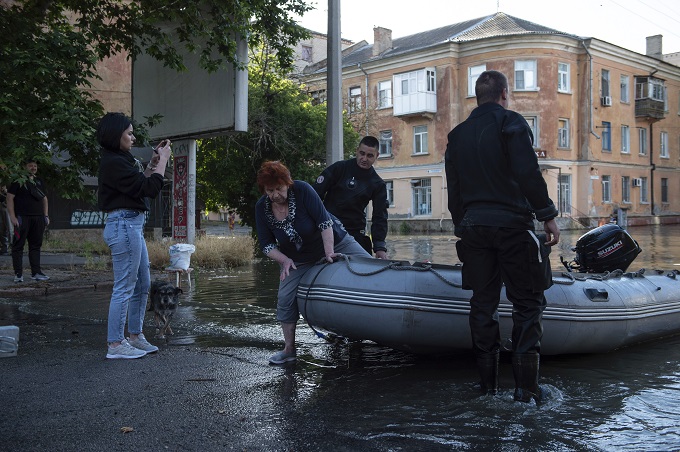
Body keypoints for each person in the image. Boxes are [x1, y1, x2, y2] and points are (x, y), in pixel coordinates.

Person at [444, 70, 560, 403]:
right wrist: (548, 214)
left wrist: (460, 226)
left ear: (477, 97)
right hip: (512, 227)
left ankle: (487, 388)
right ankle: (525, 391)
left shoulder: (457, 135)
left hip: (474, 228)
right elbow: (527, 171)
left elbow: (455, 190)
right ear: (504, 94)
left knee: (483, 304)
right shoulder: (511, 122)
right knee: (527, 303)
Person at [255, 160, 371, 364]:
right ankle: (289, 349)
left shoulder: (302, 190)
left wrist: (329, 252)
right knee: (284, 297)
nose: (275, 195)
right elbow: (266, 245)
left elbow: (324, 221)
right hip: (297, 257)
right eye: (269, 190)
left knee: (369, 266)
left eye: (279, 189)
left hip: (334, 241)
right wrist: (284, 260)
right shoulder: (261, 208)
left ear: (287, 184)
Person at [96, 112, 172, 359]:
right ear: (115, 135)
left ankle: (135, 336)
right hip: (124, 225)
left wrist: (152, 163)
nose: (133, 136)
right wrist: (164, 162)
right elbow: (150, 189)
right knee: (125, 287)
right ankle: (115, 345)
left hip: (131, 225)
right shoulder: (113, 163)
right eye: (129, 133)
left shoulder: (121, 159)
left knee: (142, 284)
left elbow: (140, 183)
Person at [313, 136, 389, 259]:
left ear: (377, 156)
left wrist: (379, 247)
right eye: (362, 153)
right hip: (329, 228)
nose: (364, 159)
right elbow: (314, 196)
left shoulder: (377, 184)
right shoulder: (339, 168)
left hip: (355, 233)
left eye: (370, 156)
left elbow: (380, 217)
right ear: (357, 150)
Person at [7, 158, 50, 282]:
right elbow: (9, 198)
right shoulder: (18, 181)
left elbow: (44, 199)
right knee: (18, 246)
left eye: (35, 166)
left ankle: (36, 273)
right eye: (30, 166)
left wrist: (45, 215)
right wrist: (12, 217)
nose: (33, 168)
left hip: (38, 218)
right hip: (22, 218)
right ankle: (18, 274)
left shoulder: (39, 181)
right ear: (25, 167)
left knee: (35, 246)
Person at [0, 184, 9, 255]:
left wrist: (5, 192)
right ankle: (4, 247)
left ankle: (13, 247)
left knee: (10, 229)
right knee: (2, 229)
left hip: (7, 210)